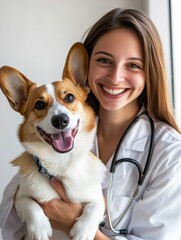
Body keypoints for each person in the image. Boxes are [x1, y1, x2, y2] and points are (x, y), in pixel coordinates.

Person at [0, 8, 181, 240]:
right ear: (84, 70)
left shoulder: (171, 154)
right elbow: (9, 221)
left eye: (133, 65)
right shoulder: (54, 136)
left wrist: (74, 224)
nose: (115, 77)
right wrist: (29, 206)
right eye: (104, 60)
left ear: (150, 72)